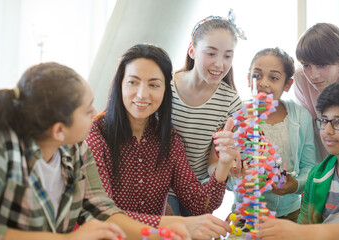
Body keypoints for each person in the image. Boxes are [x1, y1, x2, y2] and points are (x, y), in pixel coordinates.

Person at [0, 62, 190, 240]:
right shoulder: (2, 150)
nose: (95, 113)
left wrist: (160, 234)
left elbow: (101, 209)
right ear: (59, 130)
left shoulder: (77, 149)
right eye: (87, 110)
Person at [86, 44, 236, 239]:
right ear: (119, 84)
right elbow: (103, 215)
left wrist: (224, 164)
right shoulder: (95, 134)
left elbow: (200, 204)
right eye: (133, 82)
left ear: (166, 90)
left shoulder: (169, 139)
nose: (142, 94)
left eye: (154, 84)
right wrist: (177, 224)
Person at [227, 48, 317, 222]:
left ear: (287, 85)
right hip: (245, 215)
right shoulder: (236, 116)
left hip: (291, 214)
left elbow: (310, 168)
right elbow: (223, 174)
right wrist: (235, 178)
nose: (263, 83)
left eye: (274, 77)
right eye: (256, 75)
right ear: (248, 79)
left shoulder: (300, 117)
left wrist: (295, 185)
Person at [168, 10, 243, 216]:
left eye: (228, 56)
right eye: (211, 53)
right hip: (162, 187)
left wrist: (227, 166)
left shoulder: (231, 103)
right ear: (192, 51)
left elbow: (212, 164)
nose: (220, 64)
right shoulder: (165, 85)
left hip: (200, 191)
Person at [258, 81, 339, 239]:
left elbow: (304, 231)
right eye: (324, 121)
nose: (327, 131)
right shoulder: (317, 175)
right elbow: (305, 223)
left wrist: (301, 232)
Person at [293, 22, 339, 162]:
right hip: (322, 158)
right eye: (306, 65)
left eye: (322, 65)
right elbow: (309, 128)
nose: (313, 75)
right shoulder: (301, 79)